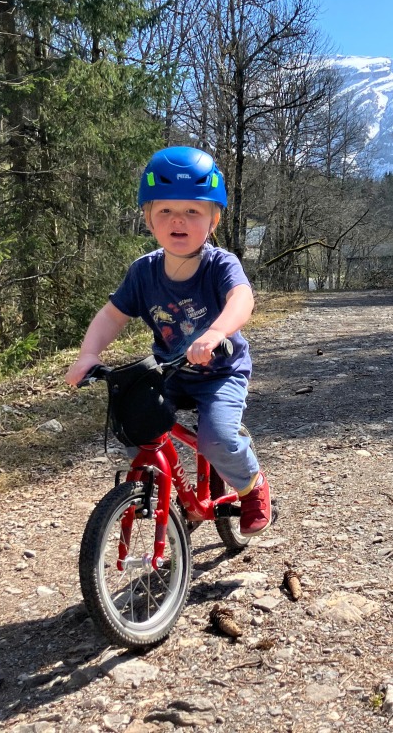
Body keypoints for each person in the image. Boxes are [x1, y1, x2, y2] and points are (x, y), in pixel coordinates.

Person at [65, 145, 271, 535]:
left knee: (217, 439)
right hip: (171, 372)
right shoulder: (143, 272)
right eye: (165, 211)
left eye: (193, 210)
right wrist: (88, 354)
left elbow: (242, 299)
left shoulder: (220, 264)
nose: (179, 220)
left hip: (221, 372)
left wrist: (215, 332)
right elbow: (112, 315)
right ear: (148, 219)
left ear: (214, 218)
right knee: (136, 428)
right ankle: (156, 488)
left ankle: (251, 484)